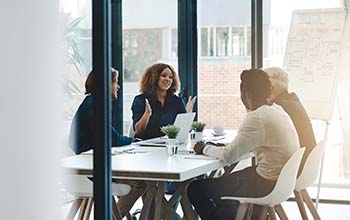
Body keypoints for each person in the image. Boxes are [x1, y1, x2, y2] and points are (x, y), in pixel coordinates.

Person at [187, 69, 300, 220]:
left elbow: (228, 157)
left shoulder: (257, 117)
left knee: (196, 188)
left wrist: (204, 148)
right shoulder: (278, 110)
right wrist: (222, 148)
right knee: (228, 183)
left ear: (246, 93)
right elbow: (253, 144)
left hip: (266, 184)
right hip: (280, 182)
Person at [264, 66, 316, 175]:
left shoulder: (279, 107)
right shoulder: (292, 100)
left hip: (296, 165)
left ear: (270, 86)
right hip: (308, 161)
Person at [69, 68, 133, 154]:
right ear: (106, 84)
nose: (118, 87)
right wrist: (131, 140)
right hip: (85, 160)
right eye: (115, 82)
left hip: (90, 157)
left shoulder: (92, 101)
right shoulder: (94, 105)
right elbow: (112, 138)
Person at [131, 63, 196, 140]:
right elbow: (139, 131)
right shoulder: (140, 100)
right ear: (153, 78)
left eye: (170, 77)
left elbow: (182, 131)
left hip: (169, 144)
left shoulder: (177, 101)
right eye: (163, 75)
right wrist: (147, 114)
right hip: (146, 145)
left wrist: (187, 115)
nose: (168, 79)